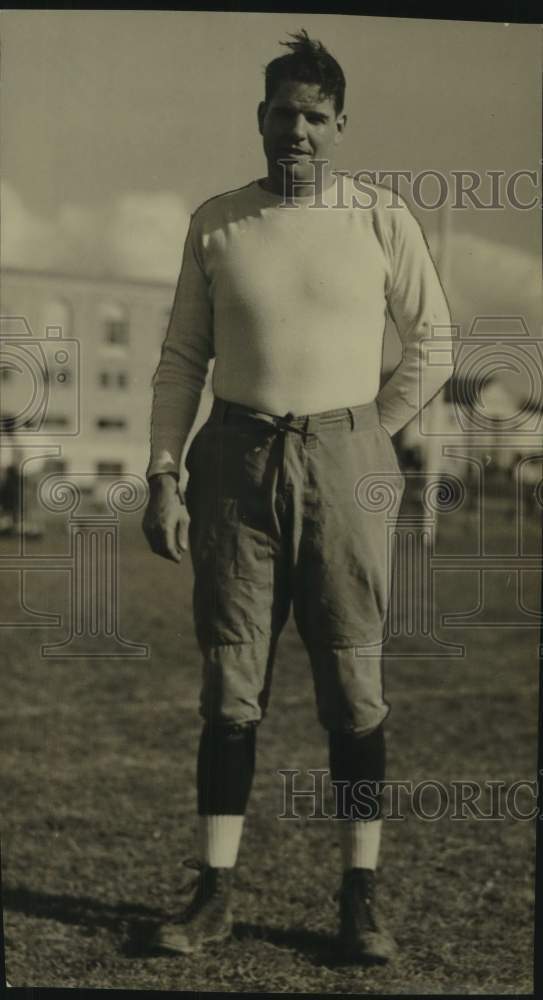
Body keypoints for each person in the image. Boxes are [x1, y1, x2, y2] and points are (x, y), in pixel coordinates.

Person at [143, 29, 454, 964]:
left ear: (340, 124)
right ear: (260, 118)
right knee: (231, 688)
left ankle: (361, 895)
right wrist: (163, 473)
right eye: (283, 114)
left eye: (315, 117)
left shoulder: (379, 218)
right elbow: (179, 360)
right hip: (234, 461)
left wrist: (367, 424)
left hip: (344, 460)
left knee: (355, 689)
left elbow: (432, 341)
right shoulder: (218, 221)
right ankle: (213, 894)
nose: (298, 132)